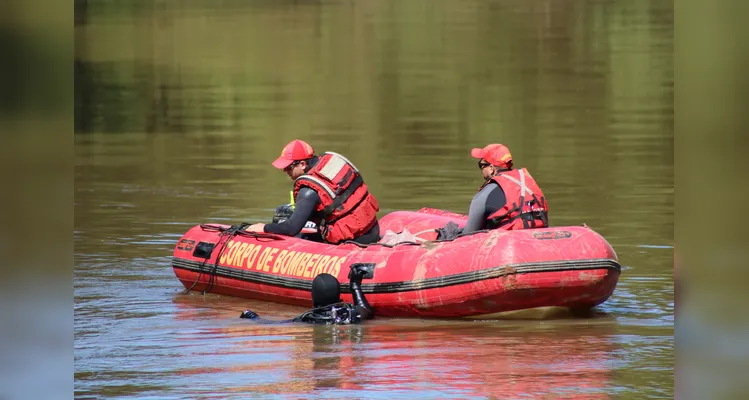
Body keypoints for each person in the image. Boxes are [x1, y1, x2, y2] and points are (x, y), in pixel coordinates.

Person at [245, 139, 381, 245]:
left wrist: (264, 228)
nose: (285, 172)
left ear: (302, 164)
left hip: (355, 241)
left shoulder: (308, 191)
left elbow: (291, 228)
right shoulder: (331, 167)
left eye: (288, 168)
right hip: (372, 230)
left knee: (297, 235)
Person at [438, 143, 548, 240]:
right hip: (538, 240)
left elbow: (468, 236)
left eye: (481, 165)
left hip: (510, 246)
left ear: (491, 168)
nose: (481, 169)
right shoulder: (527, 183)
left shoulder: (485, 195)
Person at [240, 263, 375, 325]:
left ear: (314, 298)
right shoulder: (350, 315)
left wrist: (251, 316)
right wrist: (355, 285)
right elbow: (366, 310)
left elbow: (270, 324)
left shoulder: (308, 319)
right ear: (338, 295)